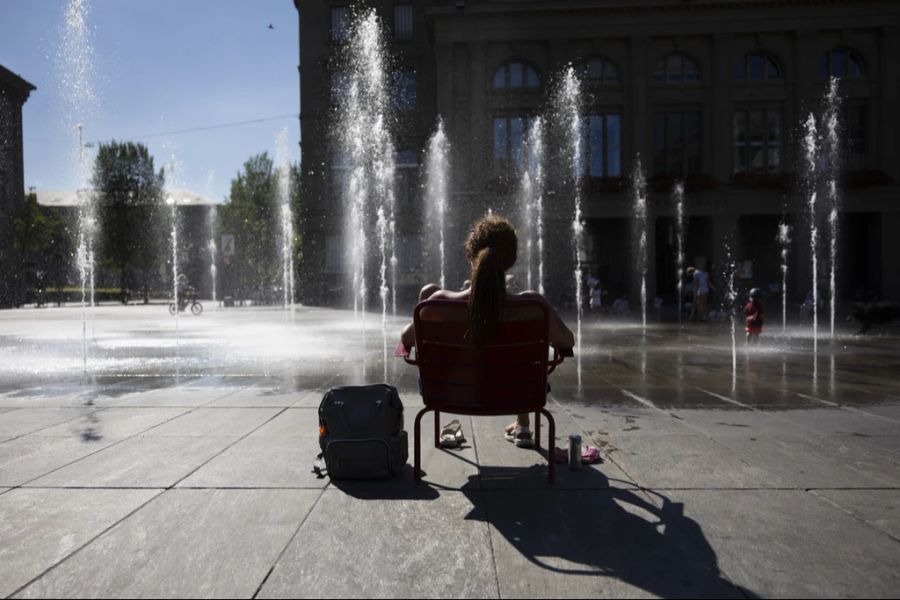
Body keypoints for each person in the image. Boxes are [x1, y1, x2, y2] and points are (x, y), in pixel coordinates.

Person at [401, 215, 575, 448]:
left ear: (468, 254)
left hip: (450, 393)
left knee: (428, 292)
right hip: (519, 393)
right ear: (512, 259)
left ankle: (516, 423)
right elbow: (567, 340)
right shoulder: (534, 307)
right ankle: (523, 422)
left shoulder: (438, 305)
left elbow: (405, 339)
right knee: (518, 368)